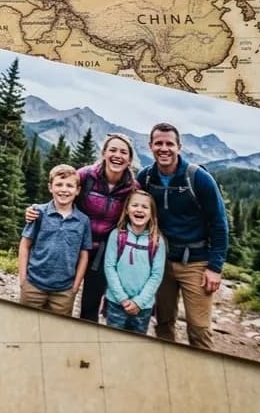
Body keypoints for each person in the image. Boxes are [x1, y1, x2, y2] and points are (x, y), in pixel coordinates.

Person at [25, 133, 139, 321]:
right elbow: (63, 192)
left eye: (123, 152)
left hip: (103, 252)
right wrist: (36, 210)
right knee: (54, 295)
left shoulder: (133, 188)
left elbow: (138, 213)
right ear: (104, 153)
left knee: (89, 306)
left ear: (129, 159)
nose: (117, 155)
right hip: (72, 244)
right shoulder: (86, 175)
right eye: (112, 150)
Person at [137, 122, 229, 349]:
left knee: (199, 328)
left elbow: (219, 224)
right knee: (163, 322)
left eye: (169, 143)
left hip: (196, 263)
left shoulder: (198, 178)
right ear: (150, 146)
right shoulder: (146, 178)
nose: (164, 148)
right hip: (160, 261)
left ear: (179, 146)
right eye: (158, 143)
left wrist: (215, 267)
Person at [18, 164, 93, 316]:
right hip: (33, 285)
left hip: (64, 291)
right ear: (50, 187)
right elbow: (25, 245)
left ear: (77, 190)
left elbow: (84, 255)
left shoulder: (83, 221)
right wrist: (23, 279)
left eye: (70, 185)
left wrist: (75, 287)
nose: (64, 189)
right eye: (59, 184)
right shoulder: (38, 213)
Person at [102, 188, 166, 334]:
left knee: (135, 345)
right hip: (116, 302)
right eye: (135, 205)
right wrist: (122, 299)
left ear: (151, 214)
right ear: (126, 210)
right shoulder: (117, 235)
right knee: (111, 341)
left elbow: (156, 275)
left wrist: (139, 301)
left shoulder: (157, 241)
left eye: (145, 207)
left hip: (143, 308)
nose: (139, 210)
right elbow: (109, 267)